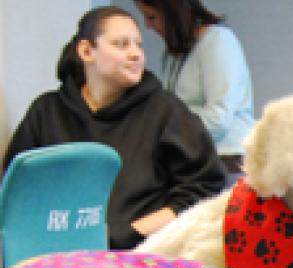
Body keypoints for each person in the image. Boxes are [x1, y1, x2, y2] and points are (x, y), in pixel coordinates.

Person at [2, 6, 225, 250]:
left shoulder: (166, 111)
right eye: (122, 44)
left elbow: (204, 189)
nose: (136, 54)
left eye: (138, 45)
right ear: (87, 51)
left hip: (140, 260)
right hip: (58, 263)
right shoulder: (46, 112)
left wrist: (129, 234)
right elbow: (17, 195)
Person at [133, 0, 254, 176]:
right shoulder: (172, 53)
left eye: (151, 17)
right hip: (192, 159)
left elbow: (218, 118)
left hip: (227, 161)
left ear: (174, 11)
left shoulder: (217, 41)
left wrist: (165, 134)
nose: (148, 26)